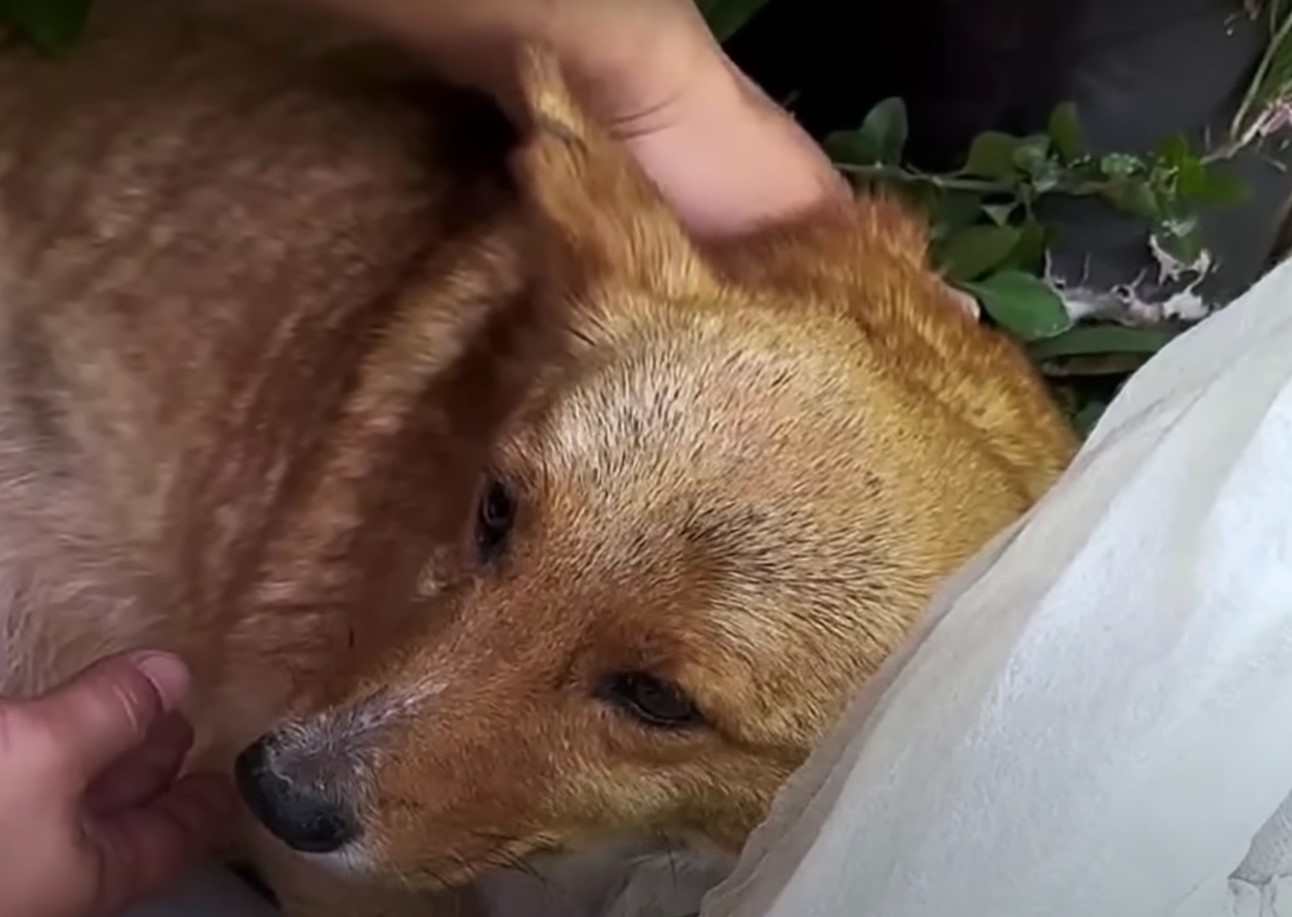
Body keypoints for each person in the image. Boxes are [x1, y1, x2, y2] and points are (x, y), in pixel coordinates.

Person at [0, 2, 842, 915]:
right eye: (498, 515)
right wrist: (657, 93)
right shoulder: (596, 348)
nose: (312, 767)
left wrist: (666, 91)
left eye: (650, 693)